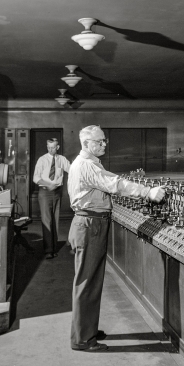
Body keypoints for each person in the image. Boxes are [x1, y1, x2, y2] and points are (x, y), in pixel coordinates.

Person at [67, 125, 165, 352]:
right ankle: (83, 339)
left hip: (90, 222)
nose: (104, 144)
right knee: (87, 282)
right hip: (90, 224)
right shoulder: (87, 165)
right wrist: (147, 192)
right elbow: (115, 184)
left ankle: (87, 329)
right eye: (99, 141)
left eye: (104, 141)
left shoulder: (87, 163)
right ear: (86, 144)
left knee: (91, 280)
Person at [33, 138, 71, 259]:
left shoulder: (62, 160)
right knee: (47, 221)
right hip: (45, 192)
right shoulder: (42, 160)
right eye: (48, 147)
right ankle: (48, 250)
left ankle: (54, 247)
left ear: (57, 147)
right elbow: (35, 178)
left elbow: (72, 170)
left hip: (57, 193)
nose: (50, 149)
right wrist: (48, 184)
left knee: (55, 221)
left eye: (53, 147)